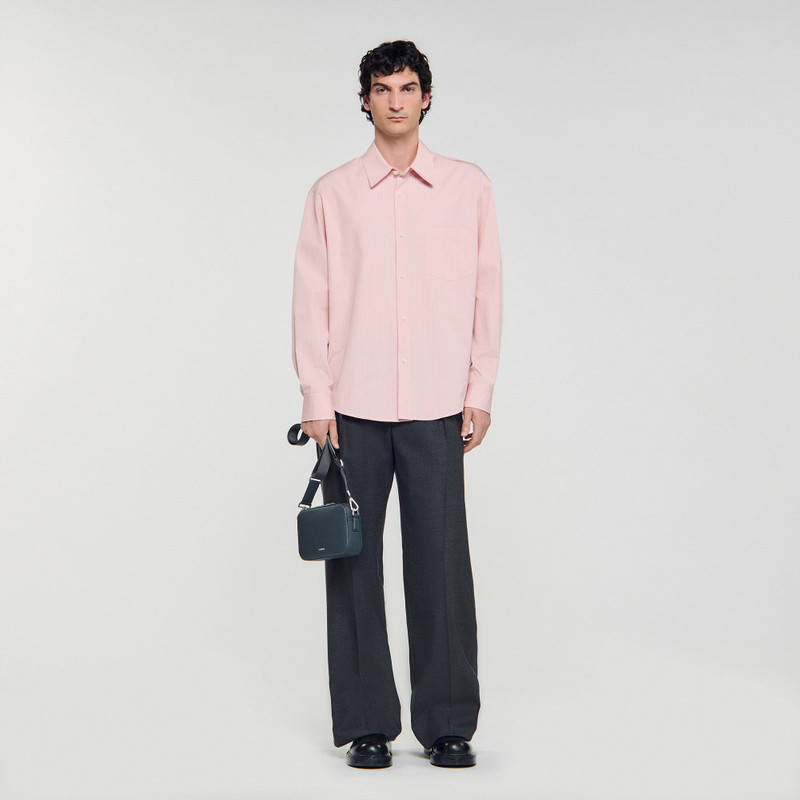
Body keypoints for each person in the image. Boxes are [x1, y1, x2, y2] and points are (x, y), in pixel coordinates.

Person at [290, 40, 502, 769]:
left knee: (442, 564)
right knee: (354, 566)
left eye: (407, 88)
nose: (395, 101)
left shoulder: (468, 188)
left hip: (439, 405)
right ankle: (367, 725)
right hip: (353, 406)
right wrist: (317, 396)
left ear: (426, 97)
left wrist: (479, 390)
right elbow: (311, 300)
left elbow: (487, 293)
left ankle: (448, 724)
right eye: (382, 89)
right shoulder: (332, 194)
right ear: (365, 101)